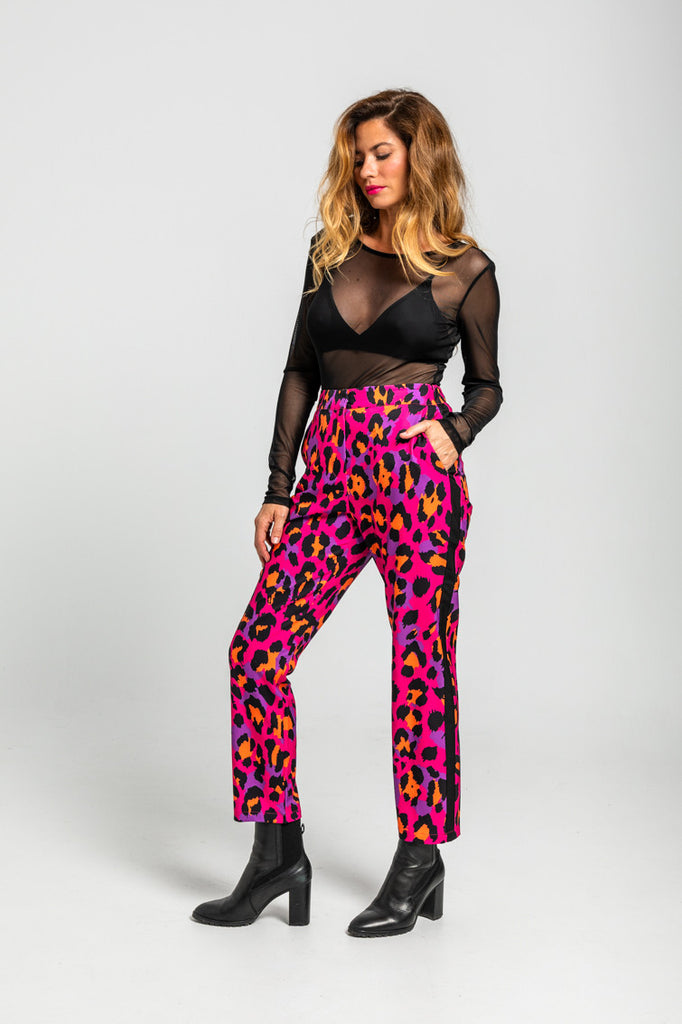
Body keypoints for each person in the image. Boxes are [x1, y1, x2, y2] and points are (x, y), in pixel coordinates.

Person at [191, 88, 502, 938]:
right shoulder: (329, 252)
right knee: (256, 653)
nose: (367, 168)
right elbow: (300, 367)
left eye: (382, 153)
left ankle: (420, 858)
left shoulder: (467, 270)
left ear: (420, 157)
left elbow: (487, 385)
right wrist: (278, 486)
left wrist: (456, 432)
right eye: (358, 154)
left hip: (415, 479)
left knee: (420, 665)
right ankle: (276, 853)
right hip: (329, 472)